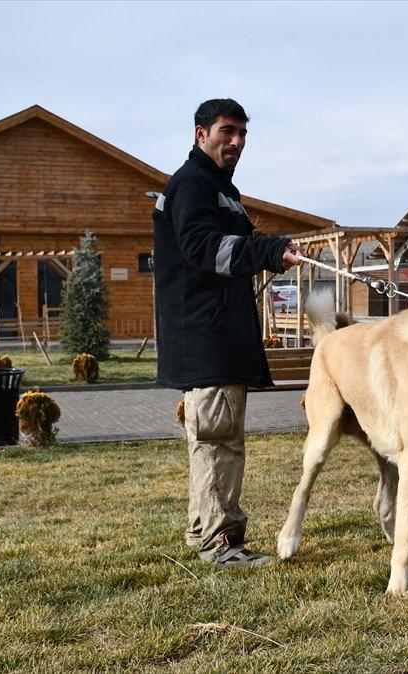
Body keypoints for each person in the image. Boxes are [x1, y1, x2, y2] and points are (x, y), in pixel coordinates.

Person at [152, 98, 302, 568]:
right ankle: (221, 545)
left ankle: (203, 530)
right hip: (206, 338)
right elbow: (203, 249)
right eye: (226, 131)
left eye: (242, 134)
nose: (236, 142)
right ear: (201, 134)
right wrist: (268, 250)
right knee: (220, 440)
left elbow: (226, 254)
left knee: (213, 439)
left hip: (220, 336)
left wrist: (264, 256)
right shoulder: (192, 185)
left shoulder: (220, 190)